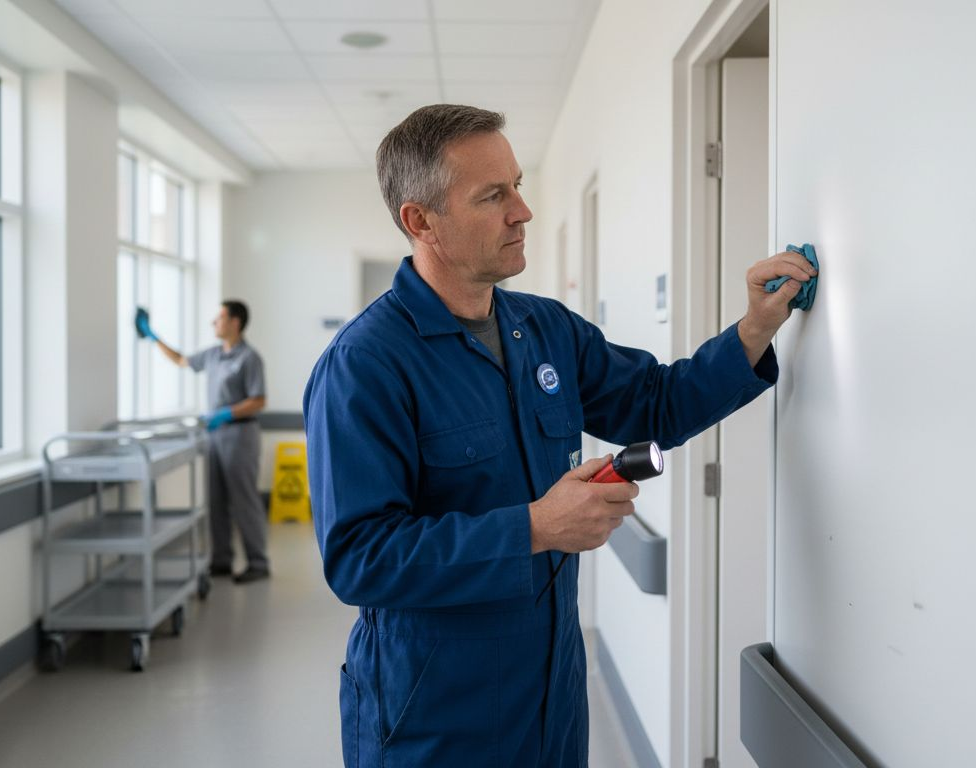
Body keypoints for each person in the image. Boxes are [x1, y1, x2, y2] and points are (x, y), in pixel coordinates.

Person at [303, 105, 815, 766]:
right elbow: (360, 557)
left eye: (517, 185)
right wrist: (536, 527)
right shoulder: (365, 364)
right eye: (492, 196)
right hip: (434, 711)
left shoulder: (544, 329)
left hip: (551, 692)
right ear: (420, 221)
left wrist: (754, 329)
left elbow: (655, 403)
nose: (523, 211)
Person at [138, 300, 270, 584]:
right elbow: (181, 360)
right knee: (216, 499)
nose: (214, 322)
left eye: (219, 317)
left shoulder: (249, 358)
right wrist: (152, 335)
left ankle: (258, 562)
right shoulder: (212, 355)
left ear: (235, 322)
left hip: (240, 434)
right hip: (214, 435)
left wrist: (226, 413)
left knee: (244, 499)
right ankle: (221, 560)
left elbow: (259, 400)